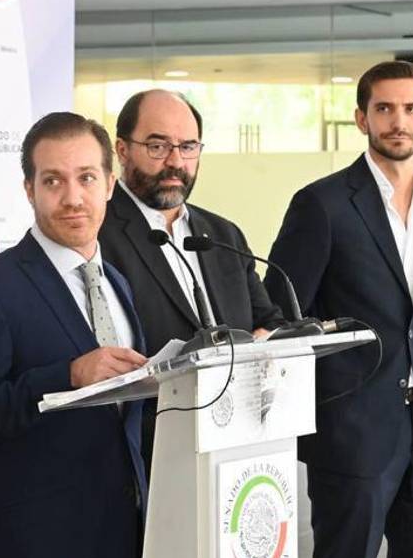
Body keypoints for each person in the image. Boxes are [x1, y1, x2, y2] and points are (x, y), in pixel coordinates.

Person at [265, 61, 413, 558]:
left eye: (410, 109)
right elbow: (280, 311)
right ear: (362, 118)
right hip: (352, 435)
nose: (398, 121)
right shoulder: (322, 204)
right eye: (384, 108)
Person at [0, 111, 149, 558]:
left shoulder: (118, 283)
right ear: (29, 190)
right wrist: (68, 377)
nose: (73, 198)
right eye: (53, 181)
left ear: (110, 185)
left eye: (87, 178)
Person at [98, 89, 288, 472]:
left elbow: (270, 320)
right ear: (122, 150)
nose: (175, 162)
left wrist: (266, 341)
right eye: (157, 146)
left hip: (233, 448)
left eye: (188, 147)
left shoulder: (222, 234)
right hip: (142, 457)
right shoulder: (97, 235)